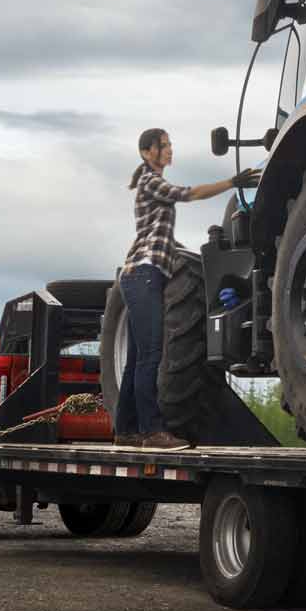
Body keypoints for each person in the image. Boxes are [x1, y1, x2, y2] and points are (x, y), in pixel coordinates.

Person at [115, 127, 257, 449]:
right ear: (147, 152)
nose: (169, 150)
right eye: (163, 146)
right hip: (143, 274)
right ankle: (151, 431)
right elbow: (189, 194)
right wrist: (231, 184)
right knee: (151, 355)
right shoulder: (151, 182)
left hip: (144, 273)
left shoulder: (149, 184)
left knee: (138, 355)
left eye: (169, 145)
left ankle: (125, 430)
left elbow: (157, 233)